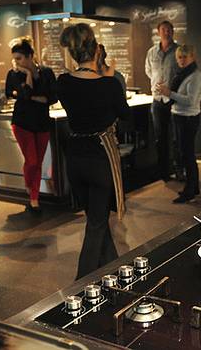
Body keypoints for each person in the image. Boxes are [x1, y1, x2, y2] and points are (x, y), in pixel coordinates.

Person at [57, 23, 130, 279]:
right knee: (97, 224)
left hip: (75, 158)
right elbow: (125, 114)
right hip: (100, 158)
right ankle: (81, 284)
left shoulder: (63, 82)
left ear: (72, 52)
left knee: (95, 219)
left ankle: (114, 268)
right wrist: (110, 77)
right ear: (96, 49)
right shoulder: (109, 85)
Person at [5, 39, 57, 213]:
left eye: (19, 58)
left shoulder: (47, 73)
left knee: (38, 162)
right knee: (32, 160)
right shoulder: (14, 74)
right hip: (22, 123)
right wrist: (27, 74)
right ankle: (31, 190)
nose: (16, 62)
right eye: (14, 58)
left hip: (42, 122)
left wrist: (29, 96)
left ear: (30, 56)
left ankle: (34, 197)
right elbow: (24, 94)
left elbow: (53, 97)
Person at [156, 45, 201, 203]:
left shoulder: (195, 76)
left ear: (192, 57)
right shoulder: (183, 74)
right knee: (185, 154)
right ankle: (193, 187)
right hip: (180, 117)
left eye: (185, 57)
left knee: (187, 155)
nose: (181, 60)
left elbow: (191, 101)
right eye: (179, 57)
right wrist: (167, 92)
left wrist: (169, 93)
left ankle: (190, 192)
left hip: (188, 119)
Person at [145, 20, 180, 182]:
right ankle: (163, 172)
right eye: (164, 30)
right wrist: (156, 82)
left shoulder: (179, 51)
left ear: (173, 31)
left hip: (173, 99)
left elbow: (182, 72)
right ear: (158, 32)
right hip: (157, 100)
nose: (167, 32)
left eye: (169, 29)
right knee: (160, 137)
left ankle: (178, 169)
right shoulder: (152, 52)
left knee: (176, 137)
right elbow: (148, 70)